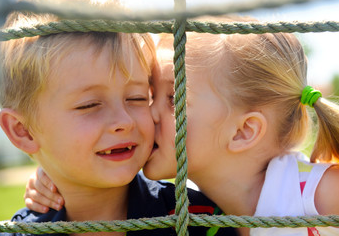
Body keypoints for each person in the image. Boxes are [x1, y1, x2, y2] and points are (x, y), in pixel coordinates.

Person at [26, 15, 339, 236]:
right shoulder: (199, 214)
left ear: (243, 131)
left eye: (173, 99)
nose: (150, 113)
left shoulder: (317, 194)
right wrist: (59, 172)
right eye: (148, 95)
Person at [0, 0, 238, 235]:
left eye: (137, 98)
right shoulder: (19, 231)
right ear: (22, 130)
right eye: (89, 105)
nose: (124, 121)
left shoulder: (201, 221)